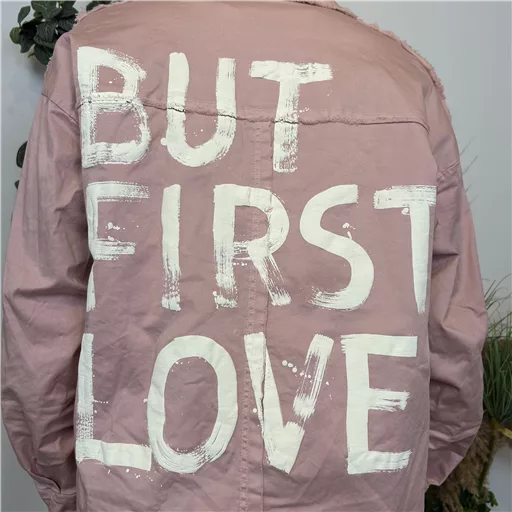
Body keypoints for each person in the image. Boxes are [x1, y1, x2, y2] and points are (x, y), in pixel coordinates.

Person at [0, 0, 488, 510]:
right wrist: (413, 469)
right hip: (359, 494)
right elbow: (452, 329)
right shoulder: (402, 81)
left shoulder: (94, 55)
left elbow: (41, 308)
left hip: (139, 493)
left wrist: (67, 480)